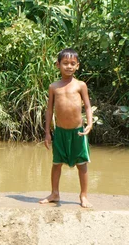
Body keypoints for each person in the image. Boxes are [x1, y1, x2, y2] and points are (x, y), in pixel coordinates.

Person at [39, 48, 93, 208]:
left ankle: (83, 195)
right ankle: (54, 193)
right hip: (60, 132)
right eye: (65, 63)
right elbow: (49, 110)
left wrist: (89, 123)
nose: (69, 66)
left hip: (78, 132)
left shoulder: (80, 85)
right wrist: (47, 133)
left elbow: (88, 106)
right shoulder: (54, 87)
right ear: (58, 65)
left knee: (82, 164)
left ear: (77, 66)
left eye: (72, 64)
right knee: (56, 163)